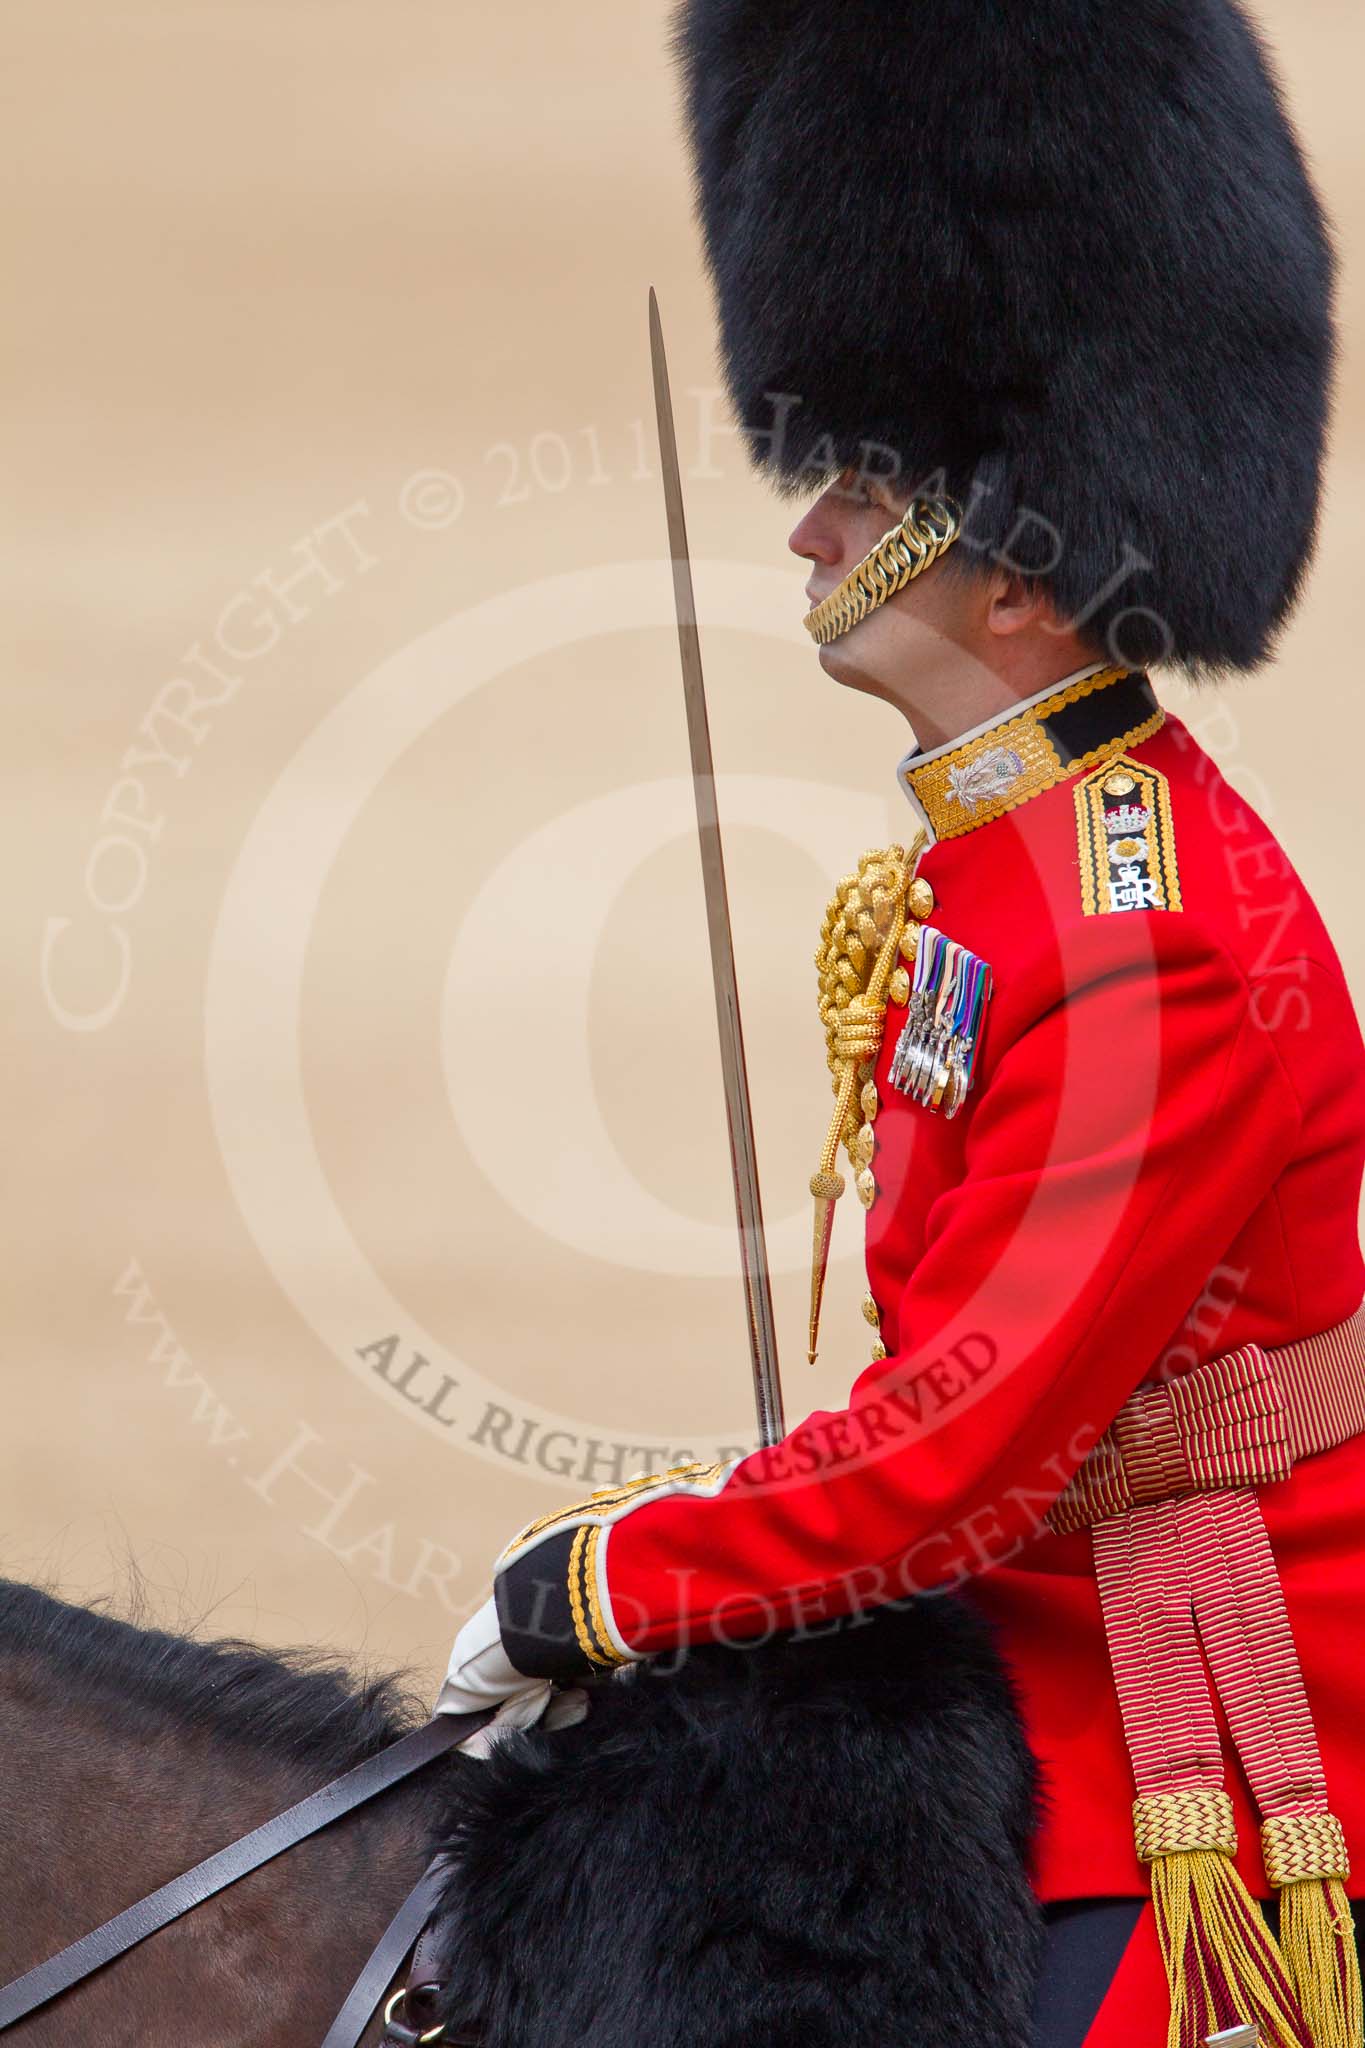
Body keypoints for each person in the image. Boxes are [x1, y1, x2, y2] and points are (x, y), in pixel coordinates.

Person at [440, 1, 1365, 2040]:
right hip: (1011, 1642)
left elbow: (963, 1444)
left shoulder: (1148, 945)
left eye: (865, 485)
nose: (809, 525)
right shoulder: (1011, 857)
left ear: (1026, 560)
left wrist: (605, 1581)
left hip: (1186, 1728)